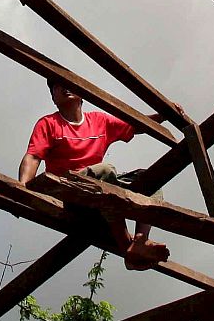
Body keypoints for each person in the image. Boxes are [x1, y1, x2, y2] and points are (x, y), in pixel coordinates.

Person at [20, 78, 178, 270]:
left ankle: (140, 240)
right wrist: (23, 190)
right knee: (105, 170)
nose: (65, 87)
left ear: (82, 93)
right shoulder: (49, 123)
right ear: (53, 97)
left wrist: (164, 115)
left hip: (99, 189)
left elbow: (135, 125)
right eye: (57, 85)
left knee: (151, 179)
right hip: (68, 190)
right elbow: (33, 157)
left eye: (69, 83)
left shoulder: (98, 121)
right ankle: (126, 247)